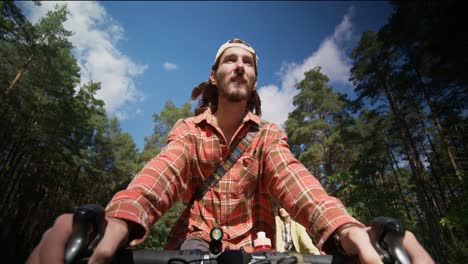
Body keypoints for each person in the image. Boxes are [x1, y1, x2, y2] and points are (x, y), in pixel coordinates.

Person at [27, 38, 434, 264]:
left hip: (259, 251)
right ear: (213, 75)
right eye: (230, 60)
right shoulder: (188, 130)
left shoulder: (268, 135)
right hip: (192, 246)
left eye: (248, 62)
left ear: (255, 79)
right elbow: (162, 172)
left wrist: (352, 232)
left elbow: (298, 184)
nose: (240, 66)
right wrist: (116, 220)